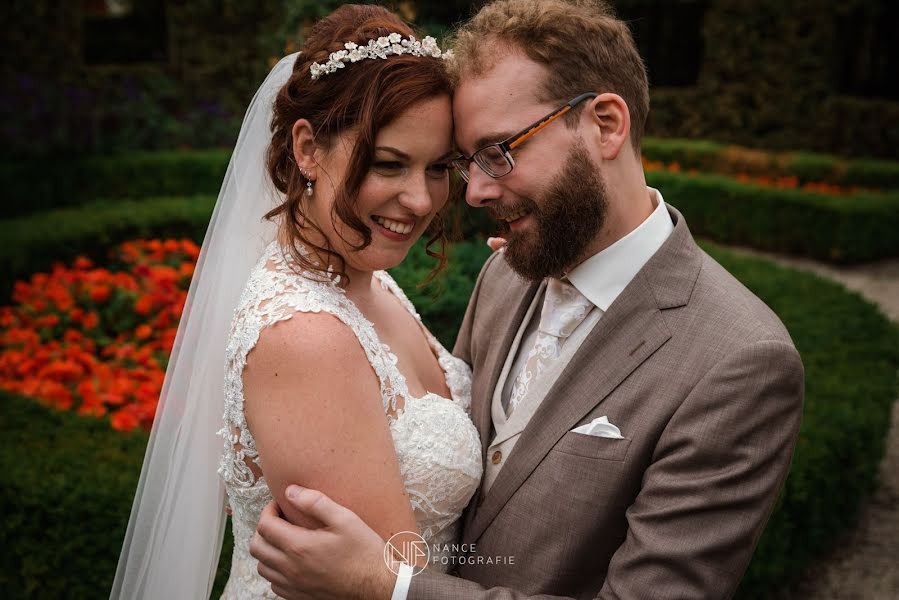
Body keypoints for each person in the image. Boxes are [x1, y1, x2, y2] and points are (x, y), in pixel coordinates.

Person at [249, 0, 806, 599]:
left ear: (606, 125)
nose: (476, 192)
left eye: (499, 152)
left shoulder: (740, 360)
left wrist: (390, 587)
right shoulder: (506, 276)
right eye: (467, 163)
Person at [111, 5, 485, 599]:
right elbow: (389, 582)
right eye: (388, 164)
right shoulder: (306, 335)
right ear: (308, 148)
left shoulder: (363, 276)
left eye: (439, 168)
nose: (419, 199)